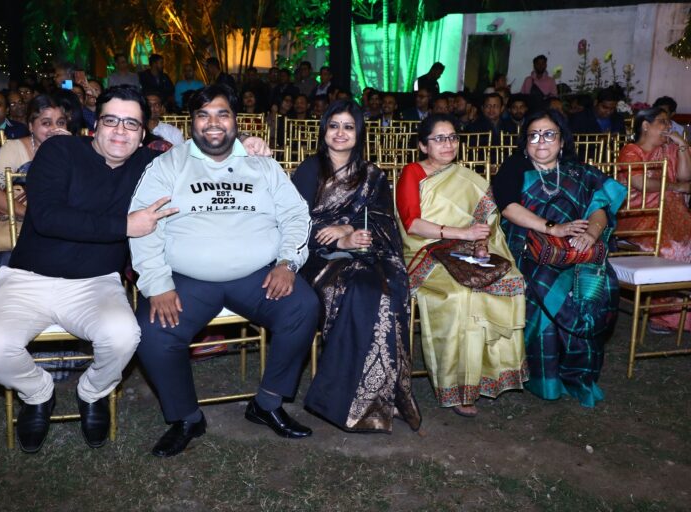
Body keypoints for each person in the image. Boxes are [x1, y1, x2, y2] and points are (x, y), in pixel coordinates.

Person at [0, 85, 174, 453]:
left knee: (124, 336)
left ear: (144, 133)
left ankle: (92, 392)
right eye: (111, 120)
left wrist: (248, 148)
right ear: (95, 125)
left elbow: (203, 158)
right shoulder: (60, 150)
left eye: (131, 123)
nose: (120, 131)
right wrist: (126, 225)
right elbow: (47, 217)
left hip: (96, 284)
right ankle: (38, 393)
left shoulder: (150, 164)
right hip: (28, 280)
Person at [129, 84, 319, 457]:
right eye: (203, 115)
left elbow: (295, 214)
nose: (213, 123)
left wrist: (287, 262)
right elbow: (145, 226)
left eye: (222, 114)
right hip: (188, 279)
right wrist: (158, 285)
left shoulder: (261, 164)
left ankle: (267, 404)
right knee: (152, 330)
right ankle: (186, 418)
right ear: (191, 121)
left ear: (235, 120)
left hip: (257, 275)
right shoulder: (168, 165)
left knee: (302, 306)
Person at [290, 99, 421, 432]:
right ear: (324, 130)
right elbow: (293, 222)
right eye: (334, 126)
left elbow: (383, 222)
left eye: (348, 127)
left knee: (388, 292)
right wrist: (333, 237)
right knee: (360, 292)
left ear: (358, 133)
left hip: (367, 254)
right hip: (317, 258)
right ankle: (343, 401)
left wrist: (349, 230)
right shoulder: (310, 170)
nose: (340, 133)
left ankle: (382, 396)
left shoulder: (372, 175)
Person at [493, 109, 626, 407]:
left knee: (596, 286)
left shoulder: (579, 172)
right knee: (547, 283)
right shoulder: (515, 167)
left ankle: (579, 373)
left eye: (549, 134)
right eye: (533, 135)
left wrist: (591, 234)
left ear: (562, 140)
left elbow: (600, 207)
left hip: (578, 247)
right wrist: (554, 228)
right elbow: (508, 207)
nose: (541, 141)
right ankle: (547, 378)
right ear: (525, 142)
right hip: (529, 247)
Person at [396, 114, 527, 417]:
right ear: (423, 145)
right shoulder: (413, 173)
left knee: (507, 281)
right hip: (425, 252)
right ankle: (456, 387)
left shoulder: (467, 177)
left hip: (464, 251)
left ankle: (490, 374)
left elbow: (487, 219)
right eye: (439, 139)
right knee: (460, 296)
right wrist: (461, 234)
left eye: (453, 137)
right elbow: (412, 224)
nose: (448, 144)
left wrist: (480, 243)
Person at [0, 94, 71, 287]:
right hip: (22, 225)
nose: (55, 129)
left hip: (64, 225)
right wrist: (31, 215)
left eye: (60, 122)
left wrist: (74, 152)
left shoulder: (74, 149)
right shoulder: (15, 148)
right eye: (46, 123)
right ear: (30, 126)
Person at [616, 107, 691, 332]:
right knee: (671, 250)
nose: (668, 127)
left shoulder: (669, 149)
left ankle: (682, 313)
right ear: (645, 125)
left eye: (669, 122)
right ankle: (662, 317)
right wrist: (676, 187)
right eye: (662, 122)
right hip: (639, 215)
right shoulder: (631, 150)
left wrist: (681, 145)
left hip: (673, 214)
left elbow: (686, 176)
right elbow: (639, 183)